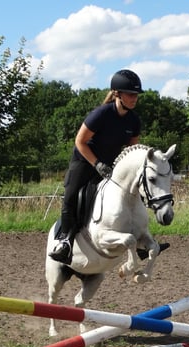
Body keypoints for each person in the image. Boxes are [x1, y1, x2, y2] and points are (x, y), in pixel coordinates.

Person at [49, 69, 143, 263]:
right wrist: (97, 164)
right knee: (72, 194)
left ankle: (141, 239)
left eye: (136, 95)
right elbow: (80, 141)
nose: (135, 98)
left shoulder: (134, 120)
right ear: (117, 93)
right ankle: (65, 240)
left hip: (110, 165)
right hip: (85, 160)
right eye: (131, 94)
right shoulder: (101, 114)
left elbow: (133, 151)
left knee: (133, 194)